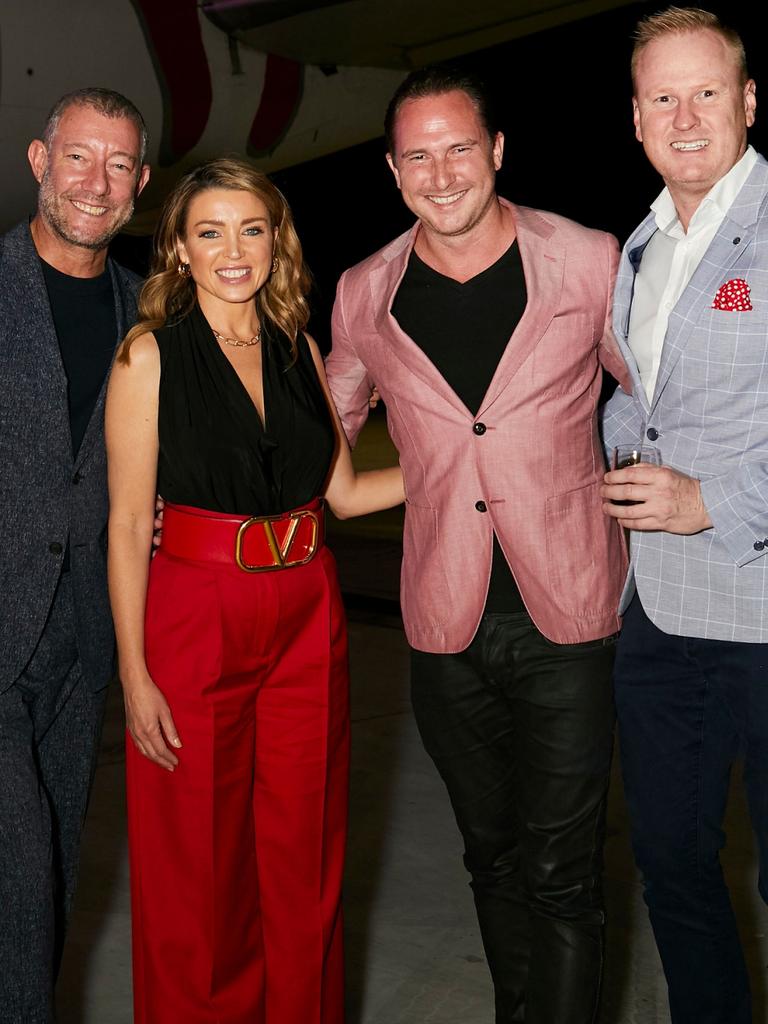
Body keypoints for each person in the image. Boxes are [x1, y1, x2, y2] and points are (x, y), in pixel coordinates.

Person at [325, 65, 631, 1023]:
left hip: (571, 611)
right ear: (392, 168)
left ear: (497, 151)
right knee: (490, 857)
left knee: (563, 868)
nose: (442, 172)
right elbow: (320, 432)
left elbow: (663, 392)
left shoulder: (587, 260)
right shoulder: (364, 292)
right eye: (418, 155)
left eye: (460, 147)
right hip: (443, 622)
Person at [105, 157, 403, 1024]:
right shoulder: (149, 356)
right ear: (179, 250)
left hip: (309, 610)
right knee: (198, 869)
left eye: (252, 228)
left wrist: (469, 453)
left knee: (304, 860)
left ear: (277, 240)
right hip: (196, 615)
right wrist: (134, 673)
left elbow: (344, 494)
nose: (234, 249)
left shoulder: (298, 347)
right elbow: (128, 526)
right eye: (209, 231)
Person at [600, 8, 766, 1023]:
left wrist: (713, 499)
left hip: (764, 604)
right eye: (663, 96)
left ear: (749, 100)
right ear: (636, 117)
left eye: (708, 90)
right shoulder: (642, 241)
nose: (686, 114)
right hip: (660, 611)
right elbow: (636, 398)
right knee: (669, 859)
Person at [0, 88, 150, 1023]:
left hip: (81, 645)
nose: (97, 183)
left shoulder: (150, 307)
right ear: (39, 161)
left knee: (48, 880)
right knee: (19, 878)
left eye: (120, 164)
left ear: (140, 183)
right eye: (81, 157)